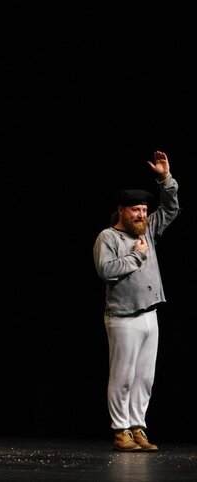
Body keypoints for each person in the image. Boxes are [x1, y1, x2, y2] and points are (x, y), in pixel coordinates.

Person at [93, 150, 178, 453]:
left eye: (144, 210)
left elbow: (170, 209)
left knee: (144, 377)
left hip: (149, 314)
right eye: (135, 211)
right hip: (123, 317)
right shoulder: (108, 238)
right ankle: (120, 431)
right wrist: (137, 256)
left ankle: (137, 426)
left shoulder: (148, 229)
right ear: (122, 211)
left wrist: (166, 179)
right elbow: (105, 270)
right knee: (124, 376)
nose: (142, 215)